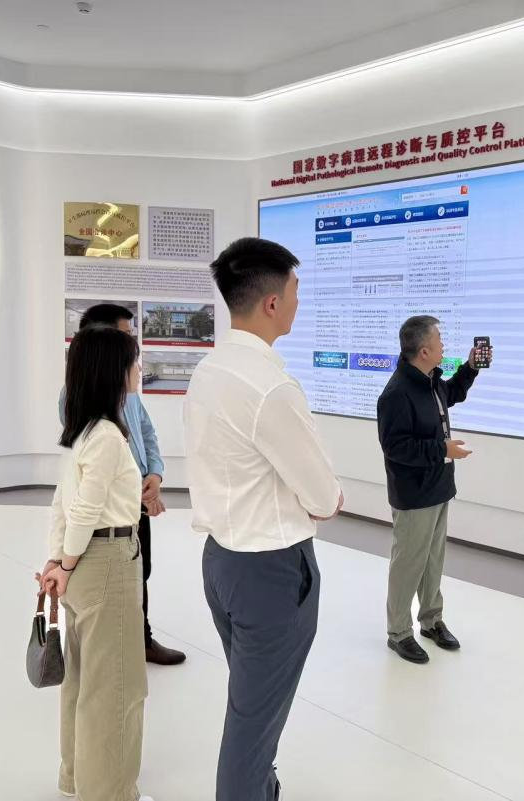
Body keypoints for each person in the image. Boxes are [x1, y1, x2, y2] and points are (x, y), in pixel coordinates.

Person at [185, 237, 343, 801]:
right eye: (297, 290)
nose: (300, 301)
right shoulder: (272, 387)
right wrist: (326, 497)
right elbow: (323, 498)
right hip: (271, 573)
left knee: (253, 705)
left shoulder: (209, 371)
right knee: (252, 727)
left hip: (221, 563)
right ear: (272, 302)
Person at [38, 324, 155, 801]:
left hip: (85, 566)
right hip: (107, 562)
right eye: (133, 360)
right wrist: (64, 566)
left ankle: (76, 779)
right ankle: (109, 792)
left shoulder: (84, 432)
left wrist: (58, 561)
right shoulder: (107, 435)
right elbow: (84, 509)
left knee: (82, 679)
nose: (138, 369)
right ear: (112, 370)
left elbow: (62, 503)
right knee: (116, 688)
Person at [59, 303, 186, 666]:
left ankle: (137, 639)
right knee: (116, 578)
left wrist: (154, 475)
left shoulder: (127, 394)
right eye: (127, 337)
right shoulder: (86, 411)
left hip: (136, 500)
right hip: (115, 513)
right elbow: (92, 484)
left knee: (141, 571)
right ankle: (125, 644)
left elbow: (146, 432)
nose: (138, 359)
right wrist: (64, 564)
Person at [376, 315, 492, 664]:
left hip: (439, 487)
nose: (444, 345)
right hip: (414, 495)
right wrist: (442, 450)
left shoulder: (431, 381)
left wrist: (471, 367)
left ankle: (431, 620)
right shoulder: (396, 394)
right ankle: (399, 632)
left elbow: (452, 393)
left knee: (432, 560)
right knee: (408, 564)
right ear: (424, 351)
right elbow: (396, 447)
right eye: (439, 340)